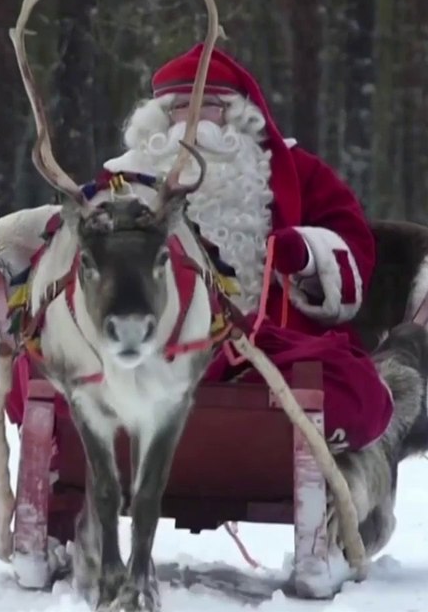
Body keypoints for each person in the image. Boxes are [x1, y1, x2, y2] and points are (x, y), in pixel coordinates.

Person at [98, 42, 394, 455]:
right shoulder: (121, 181)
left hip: (262, 356)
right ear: (162, 118)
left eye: (211, 107)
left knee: (353, 395)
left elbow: (353, 242)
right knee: (47, 374)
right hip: (143, 355)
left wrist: (309, 254)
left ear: (237, 116)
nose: (196, 120)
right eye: (182, 107)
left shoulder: (296, 171)